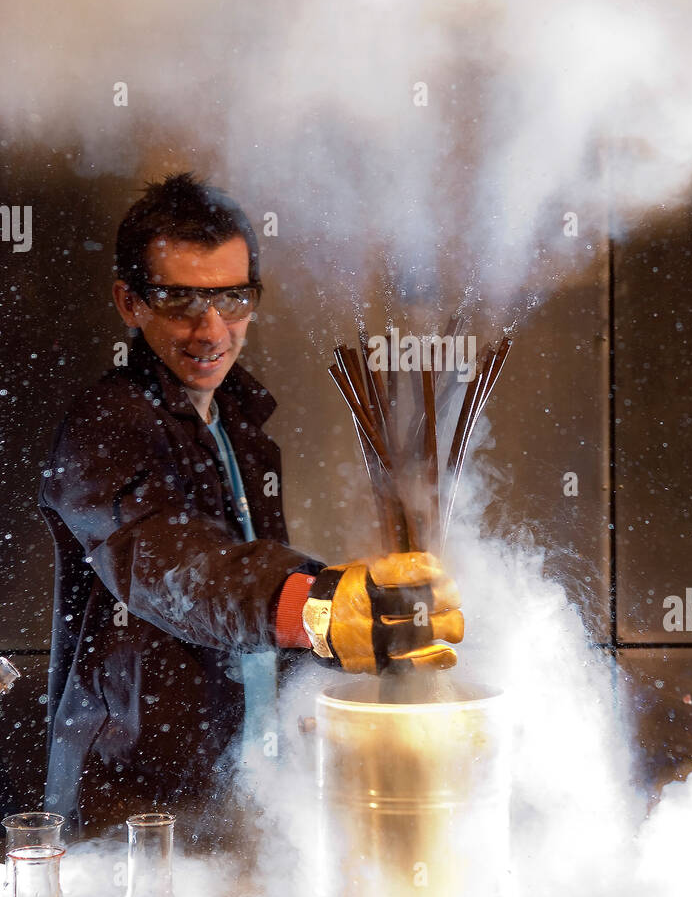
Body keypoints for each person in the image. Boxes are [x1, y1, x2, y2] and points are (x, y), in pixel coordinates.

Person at [39, 172, 463, 847]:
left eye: (231, 299)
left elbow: (248, 581)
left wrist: (358, 621)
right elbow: (174, 566)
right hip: (131, 812)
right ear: (130, 302)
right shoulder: (106, 426)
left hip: (241, 789)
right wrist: (320, 606)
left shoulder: (242, 425)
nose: (211, 330)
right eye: (179, 301)